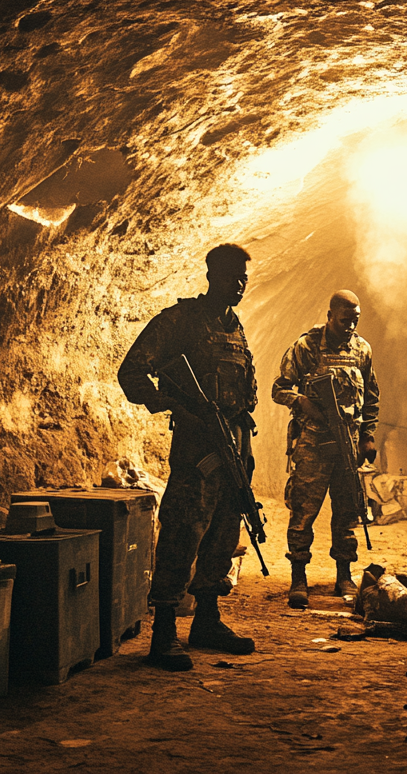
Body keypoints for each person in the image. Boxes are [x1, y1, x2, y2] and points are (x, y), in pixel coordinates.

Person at [117, 243, 260, 672]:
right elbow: (132, 371)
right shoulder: (181, 322)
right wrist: (173, 406)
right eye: (233, 276)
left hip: (231, 445)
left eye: (245, 278)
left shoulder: (235, 329)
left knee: (221, 536)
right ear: (212, 275)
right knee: (182, 534)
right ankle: (163, 634)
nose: (239, 285)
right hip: (197, 451)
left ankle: (208, 621)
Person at [272, 290, 380, 610]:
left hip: (348, 441)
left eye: (356, 320)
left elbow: (371, 397)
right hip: (314, 443)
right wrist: (302, 401)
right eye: (346, 320)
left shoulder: (362, 349)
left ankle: (344, 575)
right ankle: (298, 577)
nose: (351, 326)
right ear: (330, 315)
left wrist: (368, 435)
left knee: (347, 512)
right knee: (303, 512)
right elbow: (280, 389)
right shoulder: (305, 347)